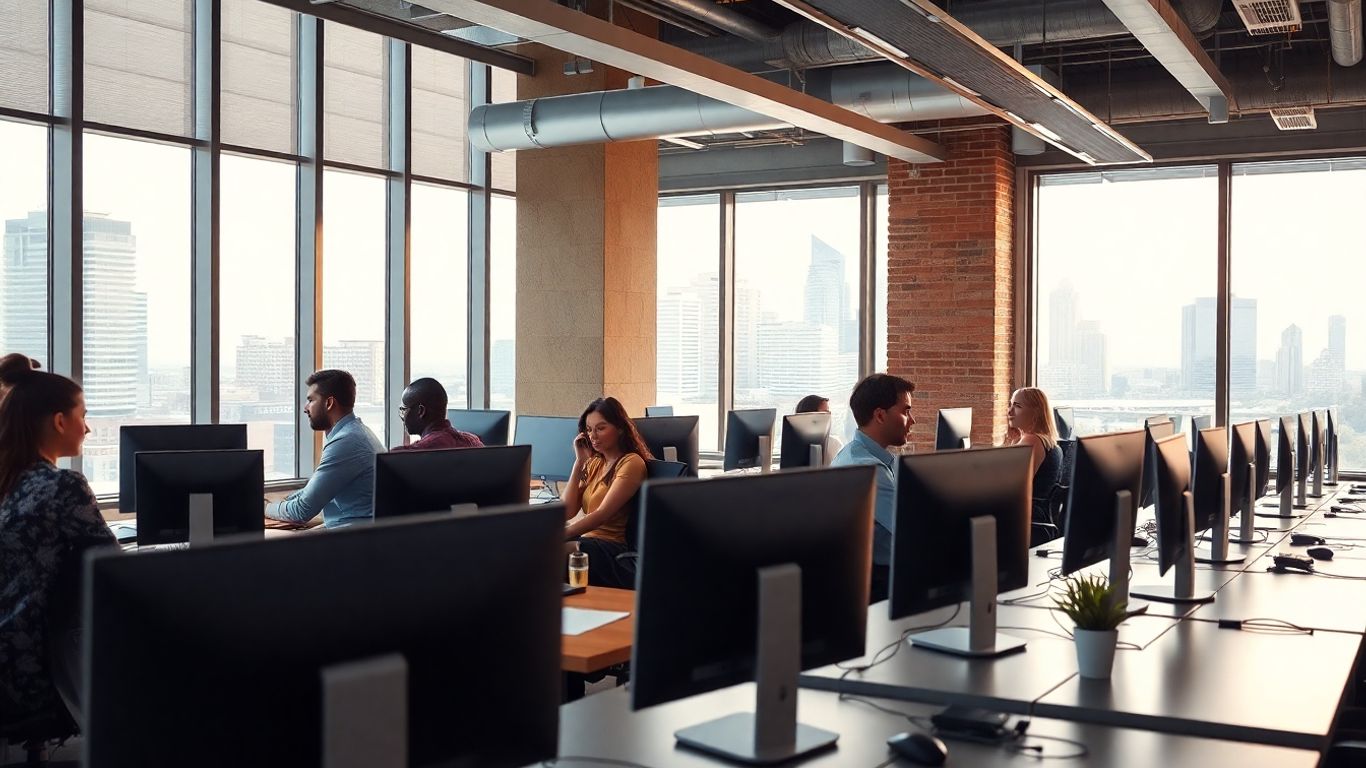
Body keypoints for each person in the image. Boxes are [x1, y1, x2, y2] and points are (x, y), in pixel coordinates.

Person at [0, 368, 116, 735]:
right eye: (83, 416)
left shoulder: (8, 480)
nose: (88, 428)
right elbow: (118, 572)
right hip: (34, 673)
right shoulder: (63, 485)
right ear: (60, 421)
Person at [830, 373, 916, 604]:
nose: (912, 420)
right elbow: (912, 532)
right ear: (880, 415)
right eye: (905, 411)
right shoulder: (869, 469)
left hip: (883, 575)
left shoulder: (866, 456)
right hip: (881, 583)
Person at [266, 369, 384, 528]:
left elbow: (301, 511)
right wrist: (285, 502)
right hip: (358, 530)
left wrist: (264, 507)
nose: (305, 408)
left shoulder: (346, 442)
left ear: (329, 403)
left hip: (354, 539)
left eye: (311, 400)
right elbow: (312, 491)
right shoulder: (358, 432)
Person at [562, 397, 652, 587]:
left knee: (551, 551)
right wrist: (579, 463)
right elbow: (567, 511)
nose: (593, 436)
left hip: (611, 549)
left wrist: (562, 533)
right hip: (588, 543)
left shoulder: (631, 462)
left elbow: (602, 514)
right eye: (589, 429)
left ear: (619, 428)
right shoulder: (596, 462)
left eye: (600, 428)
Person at [1003, 387, 1063, 524]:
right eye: (1010, 405)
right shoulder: (1046, 440)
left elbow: (1012, 487)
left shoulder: (1032, 440)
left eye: (1017, 406)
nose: (1010, 411)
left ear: (1035, 412)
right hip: (1039, 516)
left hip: (1026, 520)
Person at [390, 377, 484, 452]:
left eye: (403, 409)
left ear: (421, 411)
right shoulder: (473, 441)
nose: (401, 416)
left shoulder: (417, 452)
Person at [794, 393, 844, 462]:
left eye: (829, 413)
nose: (829, 416)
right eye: (825, 413)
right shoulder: (792, 446)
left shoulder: (834, 443)